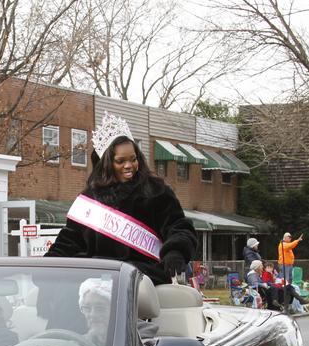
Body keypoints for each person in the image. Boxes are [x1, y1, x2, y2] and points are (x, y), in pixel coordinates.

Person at [45, 112, 197, 285]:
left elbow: (179, 227)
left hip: (141, 277)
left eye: (133, 159)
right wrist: (47, 264)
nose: (129, 166)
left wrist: (175, 251)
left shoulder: (156, 192)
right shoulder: (90, 197)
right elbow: (69, 241)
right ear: (107, 163)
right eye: (120, 161)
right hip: (95, 278)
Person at [78, 278, 113, 346]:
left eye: (100, 308)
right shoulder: (78, 344)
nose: (92, 314)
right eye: (87, 308)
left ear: (114, 309)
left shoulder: (133, 339)